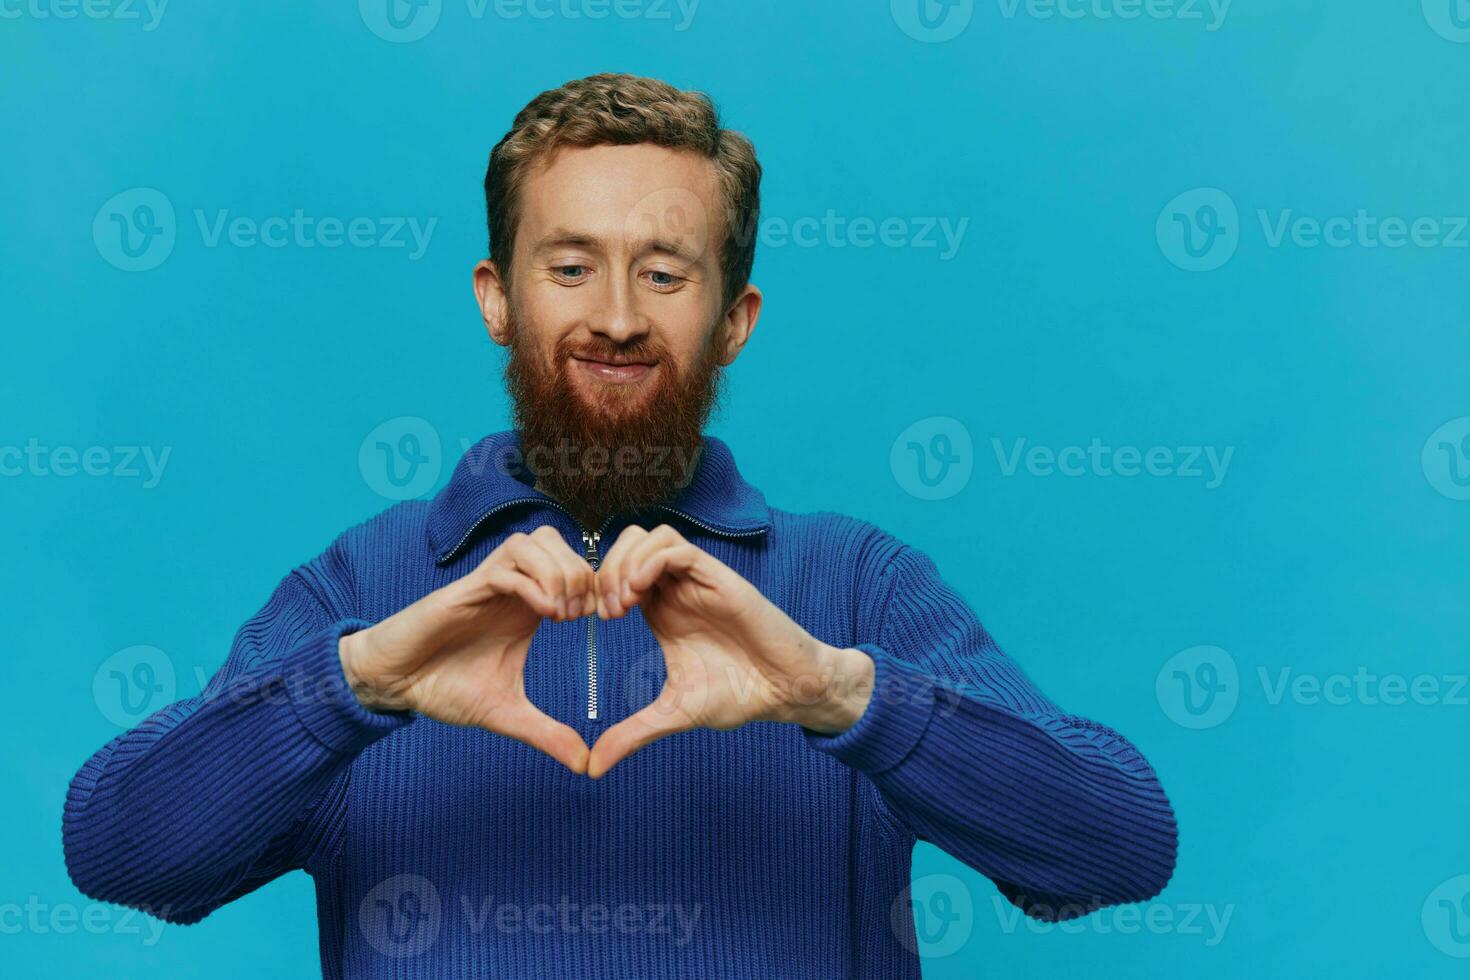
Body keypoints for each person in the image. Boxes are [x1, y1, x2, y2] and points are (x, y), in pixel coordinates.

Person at [63, 72, 1178, 978]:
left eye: (662, 271)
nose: (615, 316)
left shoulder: (857, 588)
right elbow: (121, 852)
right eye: (571, 266)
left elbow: (1118, 848)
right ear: (497, 296)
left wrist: (842, 695)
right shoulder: (363, 590)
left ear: (732, 319)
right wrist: (355, 685)